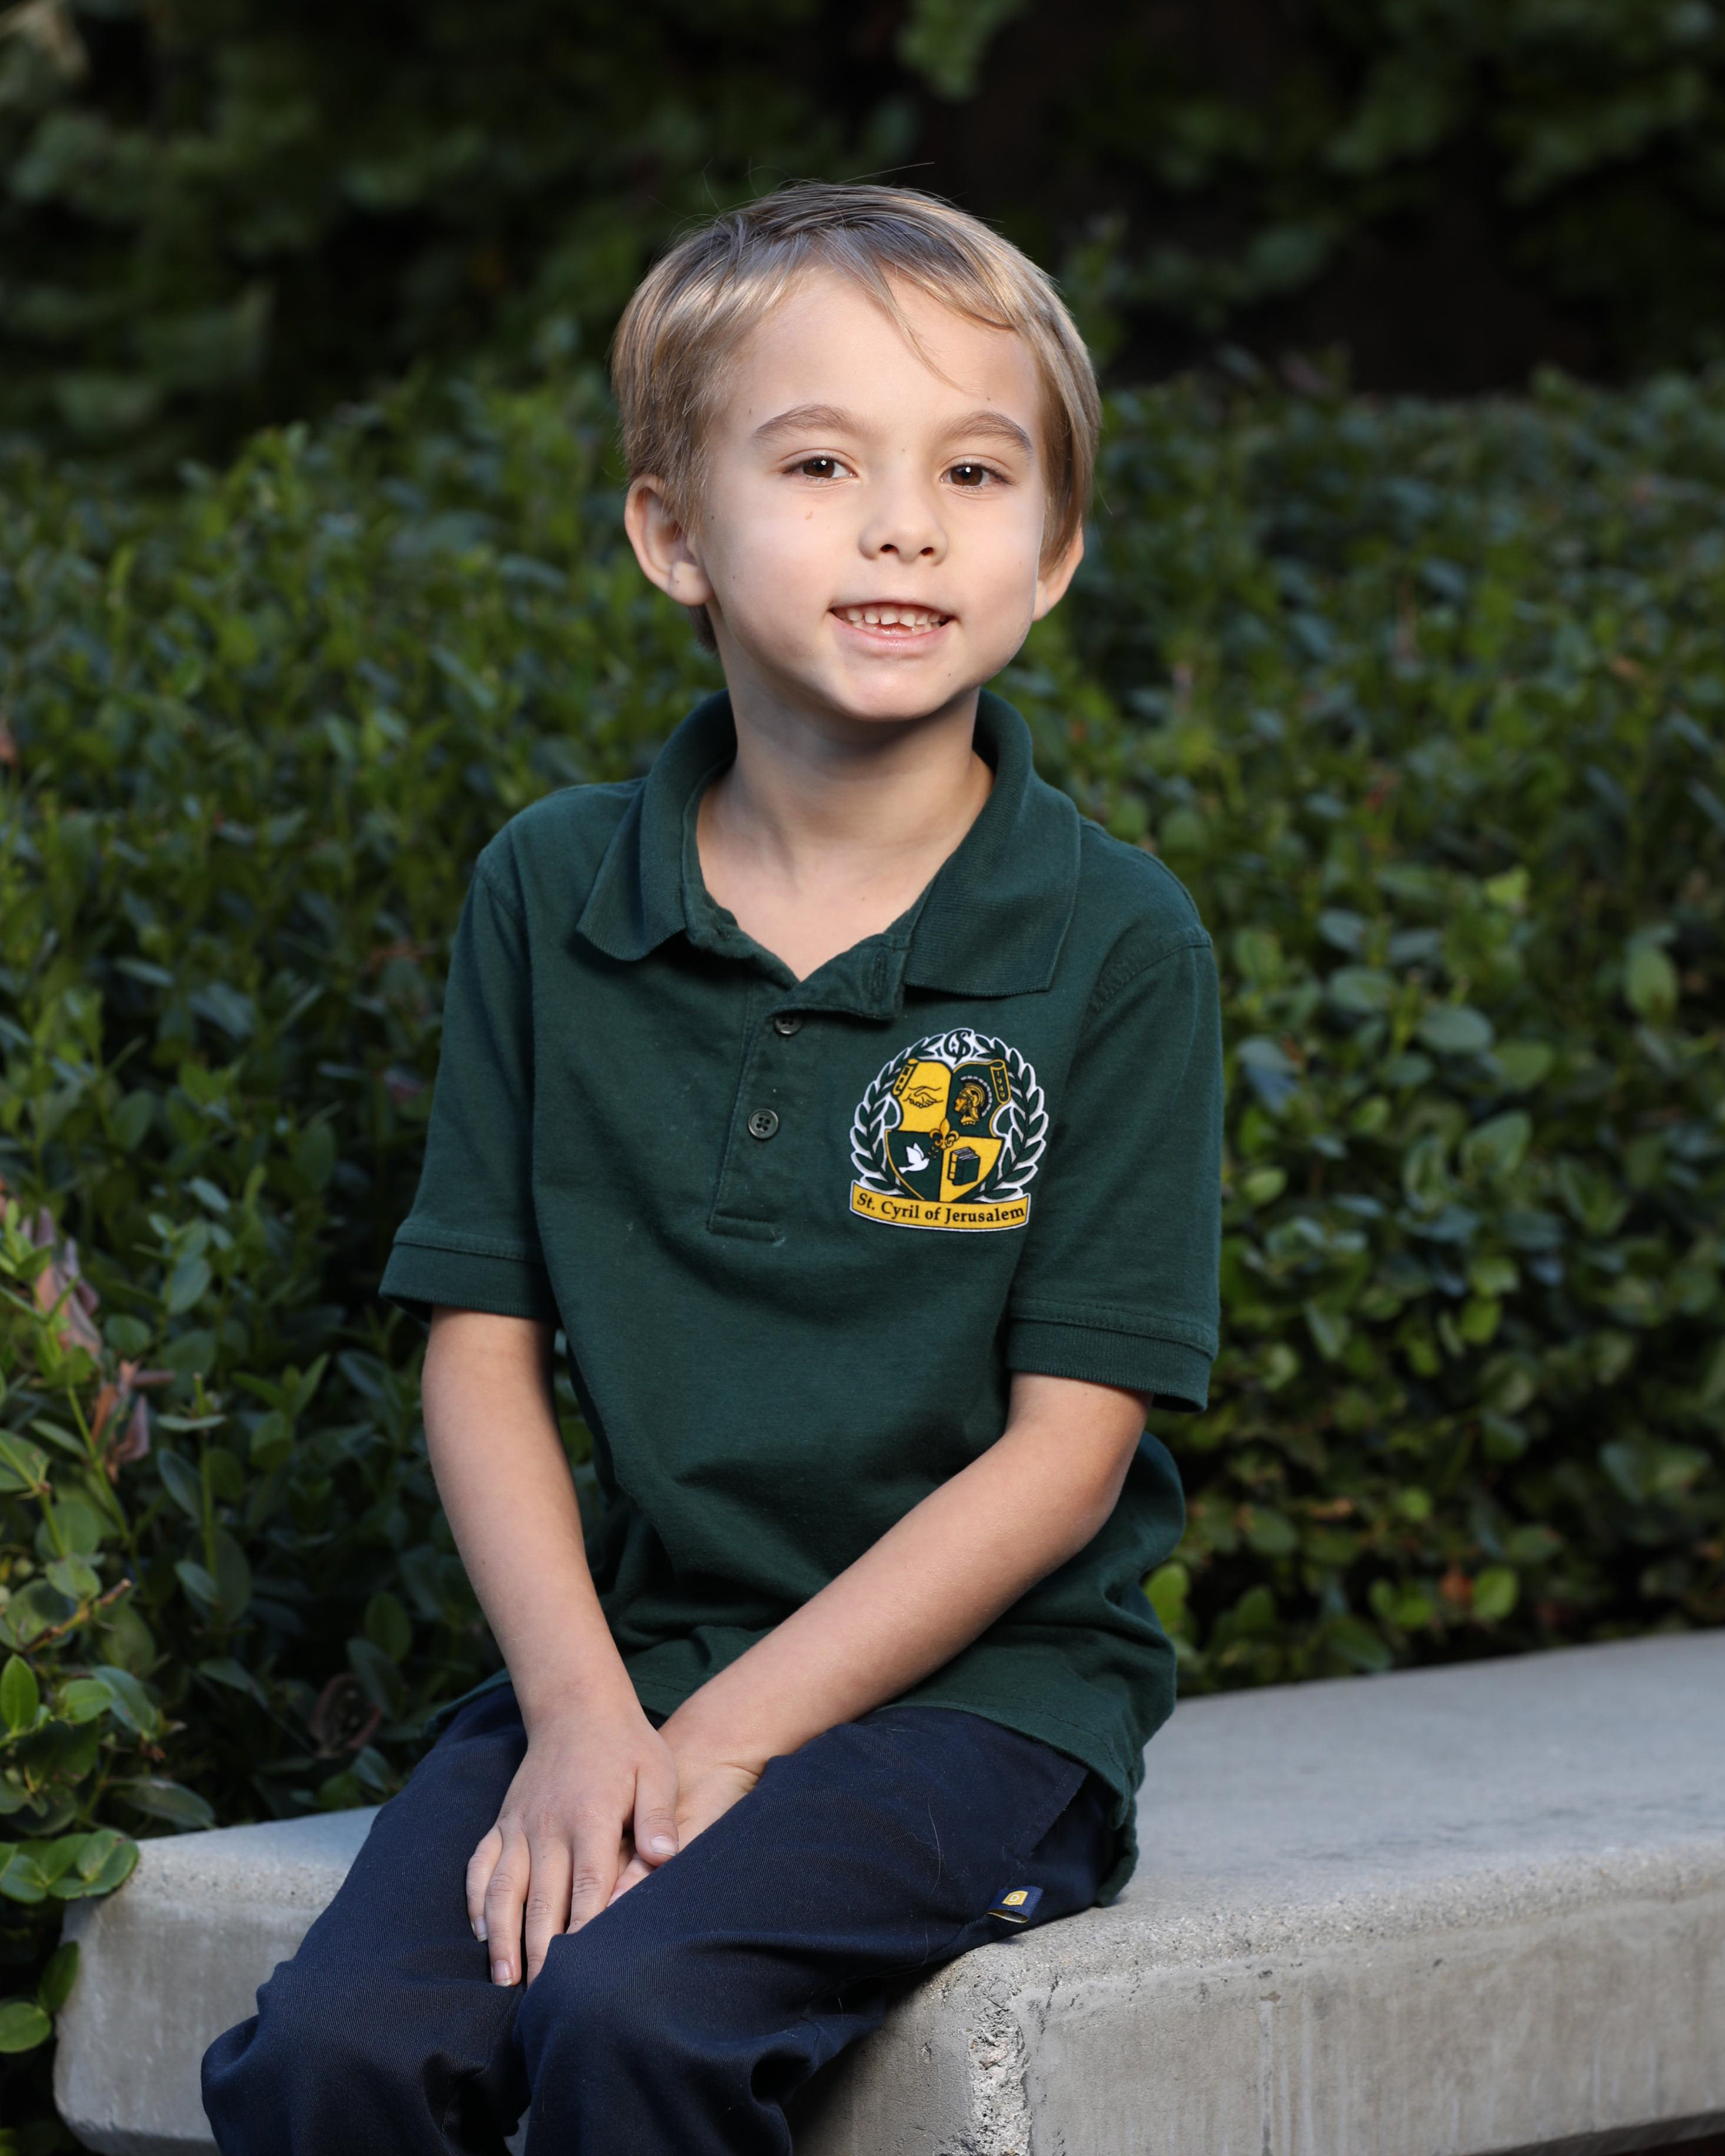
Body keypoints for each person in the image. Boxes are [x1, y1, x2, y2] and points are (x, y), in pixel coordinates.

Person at [202, 181, 1223, 2156]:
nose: (904, 522)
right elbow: (481, 1346)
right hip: (635, 1654)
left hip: (987, 1701)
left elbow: (1065, 1456)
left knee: (636, 2004)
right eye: (821, 461)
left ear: (1054, 550)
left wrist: (720, 1743)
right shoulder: (551, 889)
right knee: (342, 2049)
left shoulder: (1111, 942)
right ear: (671, 530)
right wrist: (586, 1716)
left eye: (975, 470)